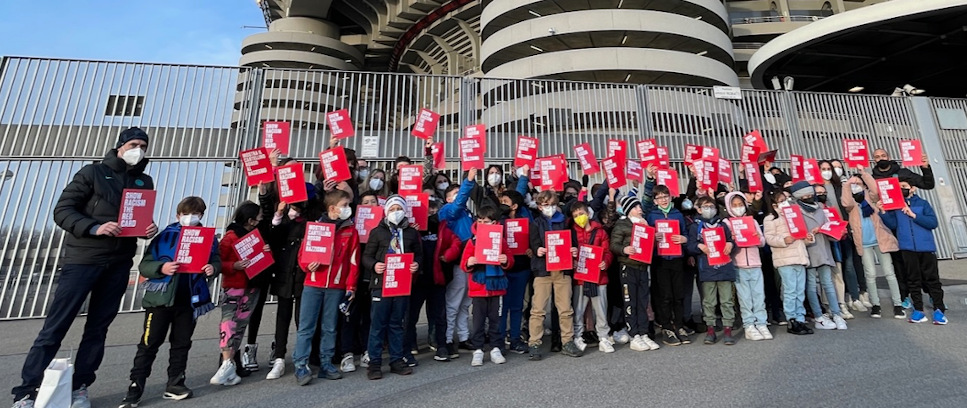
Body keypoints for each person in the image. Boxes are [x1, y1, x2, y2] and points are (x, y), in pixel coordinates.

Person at [13, 128, 158, 408]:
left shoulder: (144, 181)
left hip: (119, 263)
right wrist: (94, 227)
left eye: (142, 145)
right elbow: (63, 211)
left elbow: (136, 219)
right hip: (83, 260)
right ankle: (27, 390)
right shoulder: (92, 173)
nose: (137, 149)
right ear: (119, 147)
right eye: (132, 144)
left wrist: (147, 228)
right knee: (56, 326)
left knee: (98, 329)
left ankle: (80, 386)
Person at [119, 197, 219, 407]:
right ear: (177, 215)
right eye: (186, 214)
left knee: (182, 343)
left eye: (197, 214)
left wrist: (213, 268)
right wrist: (161, 268)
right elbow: (145, 264)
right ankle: (135, 387)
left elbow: (215, 260)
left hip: (190, 300)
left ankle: (175, 382)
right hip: (161, 300)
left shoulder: (208, 238)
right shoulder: (164, 236)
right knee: (149, 343)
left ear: (202, 215)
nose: (191, 218)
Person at [293, 190, 360, 385]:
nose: (348, 209)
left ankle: (326, 363)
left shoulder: (350, 230)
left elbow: (353, 261)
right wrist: (308, 265)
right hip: (313, 284)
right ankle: (301, 365)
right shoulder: (316, 227)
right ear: (332, 208)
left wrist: (351, 287)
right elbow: (303, 254)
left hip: (336, 287)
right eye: (345, 205)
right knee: (306, 327)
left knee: (330, 327)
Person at [362, 195, 423, 380]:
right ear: (386, 211)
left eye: (399, 209)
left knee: (397, 324)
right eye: (392, 209)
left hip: (402, 284)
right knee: (378, 325)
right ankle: (374, 363)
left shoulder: (411, 233)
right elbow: (366, 256)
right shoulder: (377, 232)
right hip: (381, 284)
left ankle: (397, 360)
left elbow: (419, 255)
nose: (395, 213)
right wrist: (374, 265)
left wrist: (416, 265)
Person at [263, 183, 320, 380]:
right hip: (285, 273)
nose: (295, 210)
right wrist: (280, 214)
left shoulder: (312, 219)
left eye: (298, 206)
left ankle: (302, 355)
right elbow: (273, 236)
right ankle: (279, 357)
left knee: (302, 318)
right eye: (293, 206)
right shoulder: (284, 221)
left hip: (304, 274)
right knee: (282, 316)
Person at [210, 201, 265, 387]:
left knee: (240, 325)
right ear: (250, 220)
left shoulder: (255, 236)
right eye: (259, 216)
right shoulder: (230, 237)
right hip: (235, 285)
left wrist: (264, 251)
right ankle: (226, 362)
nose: (261, 219)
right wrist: (233, 266)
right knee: (229, 322)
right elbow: (219, 261)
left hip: (252, 285)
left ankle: (232, 363)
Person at [879, 177, 947, 324]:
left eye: (904, 186)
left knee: (932, 280)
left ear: (913, 188)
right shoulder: (896, 206)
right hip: (907, 248)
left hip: (926, 248)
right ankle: (918, 310)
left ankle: (939, 310)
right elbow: (893, 224)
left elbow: (932, 222)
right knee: (913, 280)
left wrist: (914, 215)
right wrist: (883, 212)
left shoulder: (923, 204)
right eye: (899, 187)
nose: (901, 189)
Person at [528, 190, 583, 360]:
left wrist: (574, 250)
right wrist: (538, 249)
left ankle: (567, 341)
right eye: (545, 205)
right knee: (538, 309)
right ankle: (534, 343)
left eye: (552, 204)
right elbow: (533, 243)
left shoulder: (566, 223)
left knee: (565, 308)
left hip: (562, 269)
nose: (549, 208)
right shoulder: (536, 223)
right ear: (539, 206)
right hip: (543, 270)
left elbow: (572, 243)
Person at [841, 172, 903, 319]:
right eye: (853, 185)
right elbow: (845, 201)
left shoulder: (871, 197)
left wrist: (863, 173)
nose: (856, 186)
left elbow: (875, 189)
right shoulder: (852, 204)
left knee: (889, 272)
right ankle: (876, 304)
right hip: (864, 243)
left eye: (858, 184)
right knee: (870, 274)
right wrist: (847, 184)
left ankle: (898, 304)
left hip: (880, 240)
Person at [790, 182, 848, 330]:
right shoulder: (794, 211)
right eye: (805, 195)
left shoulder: (821, 209)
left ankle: (836, 314)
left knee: (828, 283)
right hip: (808, 251)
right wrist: (809, 236)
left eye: (811, 194)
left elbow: (829, 227)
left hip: (824, 250)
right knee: (811, 286)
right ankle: (818, 316)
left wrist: (835, 233)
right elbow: (795, 233)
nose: (809, 197)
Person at [642, 175, 692, 346]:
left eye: (666, 196)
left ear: (670, 197)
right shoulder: (651, 215)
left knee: (678, 295)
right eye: (659, 197)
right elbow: (645, 236)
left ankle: (679, 325)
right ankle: (666, 327)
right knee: (664, 296)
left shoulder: (678, 214)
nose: (663, 200)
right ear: (655, 200)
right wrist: (652, 237)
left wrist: (684, 240)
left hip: (677, 258)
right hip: (660, 259)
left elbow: (686, 233)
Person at [461, 205, 514, 366]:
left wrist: (506, 260)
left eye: (487, 222)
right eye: (480, 221)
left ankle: (496, 347)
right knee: (477, 321)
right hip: (478, 287)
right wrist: (469, 263)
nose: (483, 224)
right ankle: (478, 350)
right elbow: (464, 263)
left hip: (496, 288)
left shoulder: (501, 241)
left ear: (495, 223)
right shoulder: (472, 241)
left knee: (495, 320)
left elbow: (510, 260)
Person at [610, 194, 661, 352]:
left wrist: (653, 238)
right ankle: (634, 335)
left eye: (639, 206)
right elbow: (614, 245)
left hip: (642, 267)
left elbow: (647, 248)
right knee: (630, 301)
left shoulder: (644, 224)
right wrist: (624, 249)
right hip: (628, 267)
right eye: (635, 207)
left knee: (643, 302)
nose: (639, 209)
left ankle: (644, 332)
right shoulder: (622, 224)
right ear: (628, 210)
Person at [687, 196, 738, 345]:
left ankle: (728, 328)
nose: (709, 209)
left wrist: (730, 244)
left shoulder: (722, 224)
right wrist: (699, 247)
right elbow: (689, 245)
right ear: (699, 209)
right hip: (707, 268)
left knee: (727, 300)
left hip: (724, 266)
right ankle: (711, 329)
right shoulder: (695, 226)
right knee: (709, 301)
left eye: (711, 206)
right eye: (705, 206)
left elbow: (731, 240)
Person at [724, 192, 772, 341]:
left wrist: (758, 238)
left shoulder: (752, 221)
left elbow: (762, 242)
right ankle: (749, 325)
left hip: (755, 262)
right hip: (739, 264)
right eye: (734, 205)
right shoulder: (727, 223)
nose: (738, 208)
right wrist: (731, 239)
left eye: (740, 205)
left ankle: (761, 322)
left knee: (758, 295)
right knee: (745, 297)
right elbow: (725, 243)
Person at [763, 194, 813, 335]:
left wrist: (808, 238)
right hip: (785, 258)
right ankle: (792, 319)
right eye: (781, 201)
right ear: (774, 205)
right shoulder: (770, 218)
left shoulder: (794, 215)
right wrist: (784, 239)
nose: (785, 203)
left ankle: (800, 318)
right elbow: (769, 238)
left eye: (785, 200)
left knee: (799, 290)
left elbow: (801, 235)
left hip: (799, 256)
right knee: (790, 290)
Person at [438, 170, 476, 358]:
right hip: (458, 260)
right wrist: (468, 182)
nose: (461, 197)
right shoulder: (447, 211)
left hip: (470, 259)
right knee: (453, 302)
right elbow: (458, 203)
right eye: (456, 194)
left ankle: (463, 336)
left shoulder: (467, 213)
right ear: (447, 199)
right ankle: (447, 338)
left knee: (465, 302)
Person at [569, 202, 615, 353]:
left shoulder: (600, 232)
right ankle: (577, 336)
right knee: (578, 308)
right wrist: (572, 256)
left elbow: (607, 251)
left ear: (588, 213)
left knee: (601, 308)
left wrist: (605, 262)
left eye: (581, 214)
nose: (579, 218)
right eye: (575, 216)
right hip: (580, 277)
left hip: (599, 276)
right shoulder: (571, 233)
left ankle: (603, 337)